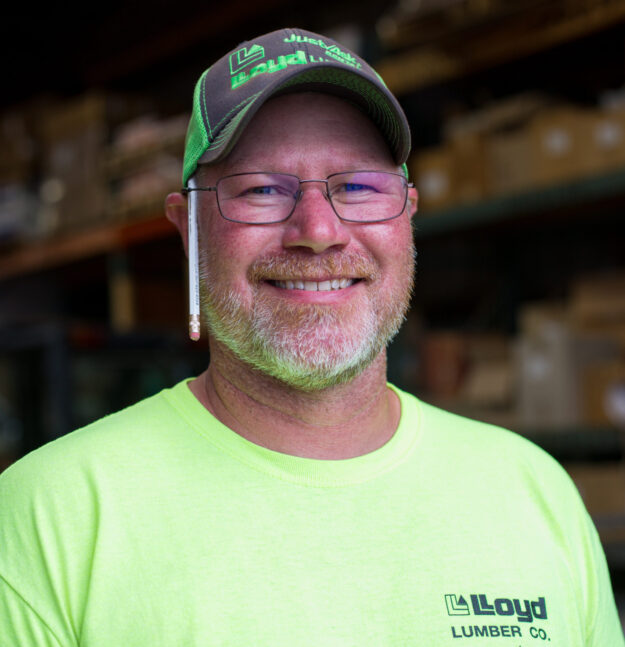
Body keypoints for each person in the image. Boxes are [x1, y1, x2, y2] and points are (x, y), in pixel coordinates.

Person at [0, 27, 622, 646]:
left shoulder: (533, 491)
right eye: (262, 189)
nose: (319, 231)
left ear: (407, 215)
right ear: (189, 231)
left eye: (358, 186)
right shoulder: (47, 516)